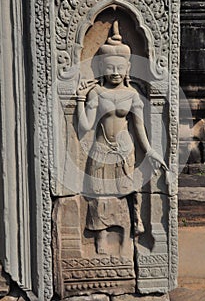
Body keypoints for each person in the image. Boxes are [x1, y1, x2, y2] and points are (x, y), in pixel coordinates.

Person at [76, 21, 168, 255]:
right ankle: (101, 239)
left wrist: (150, 151)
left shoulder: (132, 95)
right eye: (110, 67)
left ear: (127, 68)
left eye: (120, 67)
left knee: (128, 193)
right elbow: (85, 126)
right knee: (99, 196)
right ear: (101, 68)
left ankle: (130, 233)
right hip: (100, 150)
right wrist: (79, 100)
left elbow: (139, 128)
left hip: (125, 149)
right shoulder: (96, 93)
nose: (115, 72)